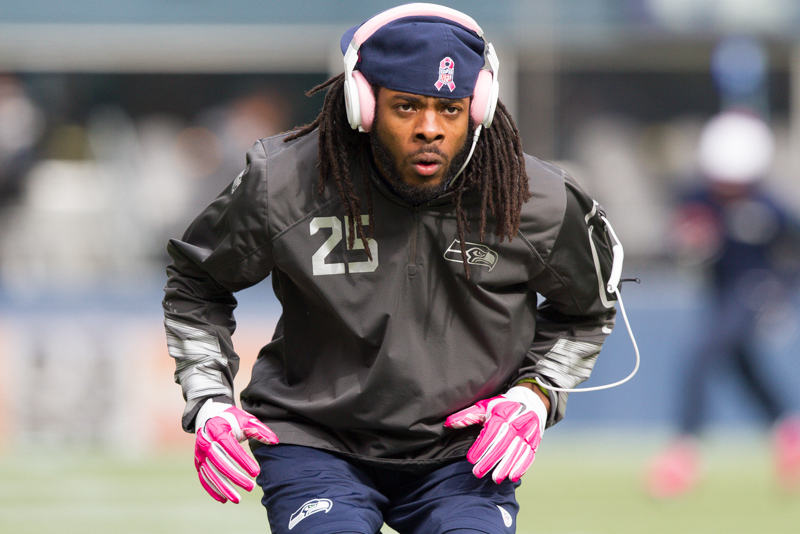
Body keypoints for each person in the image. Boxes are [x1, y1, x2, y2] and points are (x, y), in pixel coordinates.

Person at [163, 4, 620, 533]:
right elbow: (196, 283)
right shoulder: (283, 182)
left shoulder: (535, 200)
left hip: (462, 454)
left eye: (449, 109)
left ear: (479, 107)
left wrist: (535, 393)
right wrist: (211, 401)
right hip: (316, 440)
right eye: (407, 106)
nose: (430, 129)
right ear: (364, 105)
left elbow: (589, 311)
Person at [646, 110, 800, 498]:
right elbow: (678, 242)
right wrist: (688, 245)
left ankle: (685, 451)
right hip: (720, 292)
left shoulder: (769, 208)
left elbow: (791, 253)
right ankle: (789, 434)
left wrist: (780, 294)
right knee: (740, 364)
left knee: (701, 354)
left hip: (754, 292)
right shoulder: (698, 198)